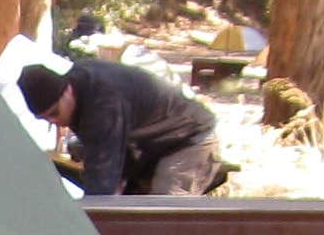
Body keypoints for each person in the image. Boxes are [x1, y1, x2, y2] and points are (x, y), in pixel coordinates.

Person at [16, 59, 221, 197]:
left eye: (54, 113)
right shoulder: (80, 89)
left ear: (67, 91)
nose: (54, 121)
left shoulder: (103, 103)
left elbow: (102, 187)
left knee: (162, 212)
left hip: (189, 140)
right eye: (45, 119)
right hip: (150, 145)